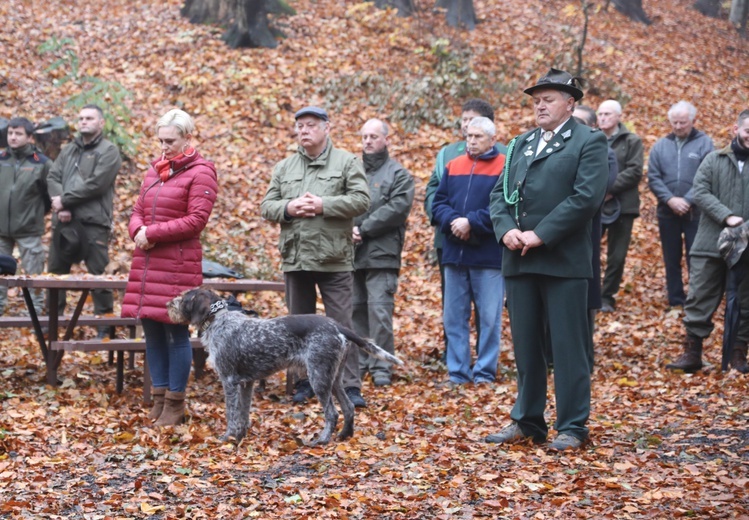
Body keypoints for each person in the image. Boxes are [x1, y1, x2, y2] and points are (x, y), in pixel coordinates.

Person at [487, 68, 608, 450]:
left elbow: (586, 197)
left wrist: (542, 233)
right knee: (526, 346)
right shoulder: (520, 143)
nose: (539, 105)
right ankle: (528, 421)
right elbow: (498, 195)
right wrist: (506, 229)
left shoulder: (589, 140)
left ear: (570, 103)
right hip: (519, 259)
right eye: (536, 99)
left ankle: (572, 426)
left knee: (569, 348)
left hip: (563, 260)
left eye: (548, 99)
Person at [260, 106, 370, 407]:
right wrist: (288, 208)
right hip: (296, 259)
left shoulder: (347, 162)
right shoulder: (285, 167)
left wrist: (324, 204)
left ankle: (349, 386)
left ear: (326, 128)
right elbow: (267, 205)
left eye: (310, 125)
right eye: (300, 126)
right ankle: (305, 383)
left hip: (334, 259)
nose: (304, 130)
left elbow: (361, 200)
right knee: (296, 328)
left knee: (341, 326)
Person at [121, 109, 218, 424]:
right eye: (160, 140)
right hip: (148, 263)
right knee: (152, 331)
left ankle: (175, 404)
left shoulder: (201, 172)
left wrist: (152, 233)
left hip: (177, 264)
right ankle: (159, 400)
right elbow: (137, 209)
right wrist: (137, 230)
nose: (163, 147)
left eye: (170, 141)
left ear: (187, 138)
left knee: (175, 333)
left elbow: (195, 221)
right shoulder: (155, 170)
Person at [666, 109, 749, 374]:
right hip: (710, 243)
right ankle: (693, 352)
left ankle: (738, 353)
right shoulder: (714, 159)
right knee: (700, 296)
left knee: (745, 301)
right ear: (736, 130)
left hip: (747, 247)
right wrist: (727, 216)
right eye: (748, 130)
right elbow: (700, 192)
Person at [424, 99, 501, 359]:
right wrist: (453, 222)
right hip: (453, 250)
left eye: (477, 134)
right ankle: (457, 370)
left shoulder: (505, 163)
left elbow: (503, 205)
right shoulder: (452, 162)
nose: (471, 139)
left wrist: (472, 223)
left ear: (492, 138)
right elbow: (438, 199)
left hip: (489, 253)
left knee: (489, 317)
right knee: (453, 317)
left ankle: (485, 370)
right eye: (468, 134)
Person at [47, 105, 122, 327]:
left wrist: (65, 200)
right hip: (63, 222)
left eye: (89, 118)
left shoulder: (109, 151)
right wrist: (62, 205)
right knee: (54, 276)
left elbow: (97, 184)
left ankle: (105, 329)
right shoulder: (68, 149)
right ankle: (52, 325)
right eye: (80, 118)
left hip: (93, 223)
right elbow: (53, 176)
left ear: (101, 123)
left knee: (99, 277)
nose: (83, 122)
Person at [353, 119, 414, 387]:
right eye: (364, 136)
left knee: (379, 311)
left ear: (386, 139)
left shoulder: (398, 174)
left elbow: (397, 208)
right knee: (355, 310)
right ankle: (361, 361)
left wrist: (362, 228)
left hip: (381, 253)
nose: (368, 141)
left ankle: (381, 367)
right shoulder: (351, 170)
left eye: (374, 136)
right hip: (351, 253)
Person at [647, 101, 714, 308]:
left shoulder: (705, 143)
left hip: (696, 212)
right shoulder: (660, 145)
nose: (678, 127)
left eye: (683, 123)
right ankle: (676, 299)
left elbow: (708, 175)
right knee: (671, 258)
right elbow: (653, 177)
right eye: (674, 122)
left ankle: (696, 299)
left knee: (696, 257)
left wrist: (688, 199)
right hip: (667, 212)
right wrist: (669, 199)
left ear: (693, 121)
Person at [572, 105, 618, 368]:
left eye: (578, 121)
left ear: (591, 127)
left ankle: (584, 357)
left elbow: (600, 189)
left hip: (586, 232)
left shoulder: (604, 152)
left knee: (585, 297)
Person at [596, 99, 644, 312]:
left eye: (607, 114)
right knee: (588, 250)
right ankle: (590, 293)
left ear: (618, 117)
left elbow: (635, 171)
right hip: (594, 206)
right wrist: (597, 192)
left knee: (617, 255)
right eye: (600, 114)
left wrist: (609, 189)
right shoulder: (592, 139)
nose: (603, 118)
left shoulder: (631, 141)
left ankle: (607, 296)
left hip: (623, 206)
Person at [0, 117, 50, 315]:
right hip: (1, 228)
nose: (13, 137)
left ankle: (35, 313)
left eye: (18, 133)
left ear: (29, 137)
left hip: (29, 228)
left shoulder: (41, 163)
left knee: (33, 273)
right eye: (11, 133)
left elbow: (51, 194)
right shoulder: (2, 159)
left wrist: (36, 213)